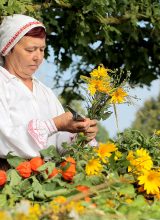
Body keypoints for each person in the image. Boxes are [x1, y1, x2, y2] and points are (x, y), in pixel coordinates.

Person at [0, 14, 98, 170]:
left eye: (42, 49)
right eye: (30, 49)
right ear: (7, 49)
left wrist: (80, 134)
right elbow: (4, 140)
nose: (38, 57)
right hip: (8, 180)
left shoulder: (45, 92)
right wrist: (55, 124)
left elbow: (58, 144)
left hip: (49, 177)